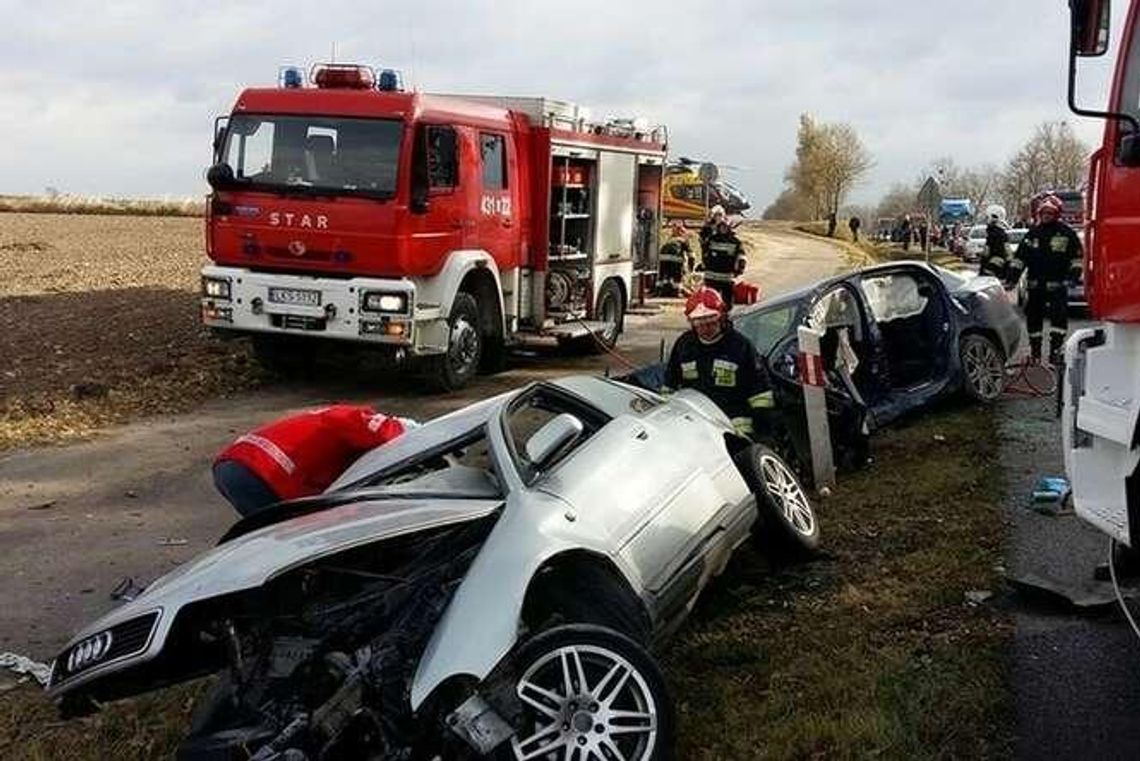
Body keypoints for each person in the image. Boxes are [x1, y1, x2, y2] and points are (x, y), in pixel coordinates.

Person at [213, 404, 407, 516]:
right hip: (259, 469)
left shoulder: (335, 429)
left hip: (235, 463)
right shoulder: (372, 422)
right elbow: (389, 434)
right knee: (287, 537)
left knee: (270, 533)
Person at [664, 287, 774, 438]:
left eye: (711, 323)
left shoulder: (740, 346)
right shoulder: (685, 345)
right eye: (700, 324)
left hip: (734, 425)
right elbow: (670, 383)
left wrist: (761, 430)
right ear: (692, 323)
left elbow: (760, 392)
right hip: (695, 419)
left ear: (721, 318)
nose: (705, 329)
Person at [1007, 194, 1083, 365]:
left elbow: (1077, 258)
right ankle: (1035, 353)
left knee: (1059, 321)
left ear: (1057, 214)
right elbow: (1020, 259)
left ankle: (1055, 352)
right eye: (1044, 213)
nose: (1046, 216)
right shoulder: (1032, 234)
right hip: (1035, 287)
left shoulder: (1067, 234)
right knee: (1033, 321)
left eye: (1050, 213)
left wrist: (1073, 277)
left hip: (1058, 286)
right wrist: (1012, 278)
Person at [701, 216, 746, 306]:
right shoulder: (711, 239)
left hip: (727, 277)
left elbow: (742, 257)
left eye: (725, 227)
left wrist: (740, 268)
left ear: (729, 227)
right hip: (711, 277)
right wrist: (706, 226)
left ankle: (727, 317)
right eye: (721, 227)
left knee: (727, 303)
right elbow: (704, 249)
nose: (723, 229)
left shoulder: (735, 242)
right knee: (710, 303)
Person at [657, 222, 692, 296]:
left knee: (664, 276)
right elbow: (691, 254)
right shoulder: (683, 240)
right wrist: (691, 265)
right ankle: (676, 292)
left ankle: (661, 291)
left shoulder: (670, 239)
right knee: (676, 277)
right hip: (675, 260)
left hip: (663, 258)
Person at [979, 212, 1010, 279]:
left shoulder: (991, 235)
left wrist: (983, 260)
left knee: (986, 278)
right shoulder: (1004, 234)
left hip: (992, 261)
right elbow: (1007, 250)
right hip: (1002, 261)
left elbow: (986, 251)